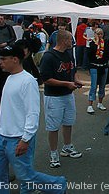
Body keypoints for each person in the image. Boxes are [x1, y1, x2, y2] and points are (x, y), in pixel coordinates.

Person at [0, 45, 67, 193]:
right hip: (2, 136)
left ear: (15, 60)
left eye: (3, 59)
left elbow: (33, 113)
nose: (0, 62)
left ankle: (57, 185)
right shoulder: (9, 78)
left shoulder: (28, 81)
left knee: (26, 177)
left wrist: (26, 138)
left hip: (18, 138)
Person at [40, 30, 83, 169]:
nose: (72, 42)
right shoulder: (49, 57)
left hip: (68, 95)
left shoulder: (69, 54)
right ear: (64, 40)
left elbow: (73, 70)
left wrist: (76, 80)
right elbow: (46, 79)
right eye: (71, 39)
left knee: (68, 122)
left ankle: (67, 146)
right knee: (53, 126)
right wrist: (66, 84)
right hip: (54, 97)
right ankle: (53, 153)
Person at [86, 28, 109, 114]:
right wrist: (94, 45)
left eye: (101, 34)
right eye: (97, 34)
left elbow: (107, 55)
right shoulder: (91, 43)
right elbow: (88, 55)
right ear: (94, 34)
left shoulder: (105, 43)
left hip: (103, 66)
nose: (99, 36)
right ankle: (90, 105)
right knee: (94, 86)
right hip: (94, 66)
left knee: (102, 85)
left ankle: (100, 103)